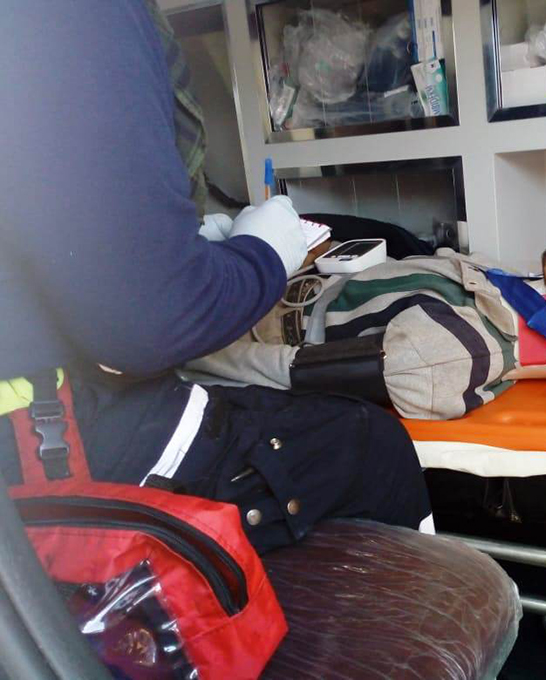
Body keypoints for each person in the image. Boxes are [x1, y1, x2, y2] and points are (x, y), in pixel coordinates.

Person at [0, 0, 432, 553]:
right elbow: (155, 321)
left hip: (45, 407)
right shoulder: (78, 14)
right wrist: (265, 256)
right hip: (51, 434)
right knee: (369, 444)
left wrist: (192, 250)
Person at [183, 242, 546, 421]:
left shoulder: (463, 354)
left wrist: (185, 347)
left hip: (234, 324)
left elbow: (292, 374)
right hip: (259, 279)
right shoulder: (509, 292)